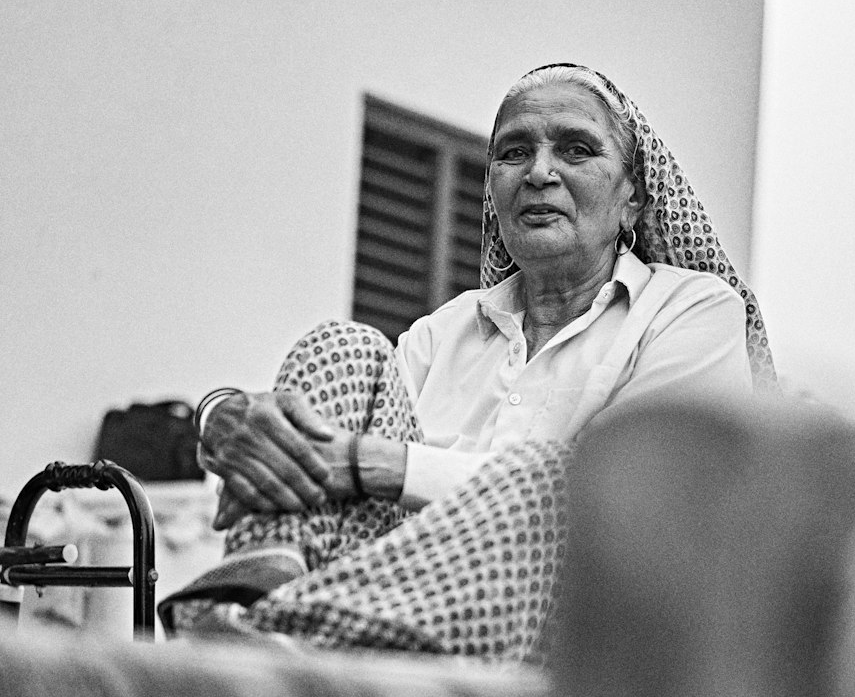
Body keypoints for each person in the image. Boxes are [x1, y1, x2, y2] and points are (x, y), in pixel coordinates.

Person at [160, 63, 776, 657]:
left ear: (633, 200)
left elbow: (643, 510)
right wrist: (218, 417)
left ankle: (291, 638)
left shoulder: (690, 310)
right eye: (513, 153)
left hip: (574, 639)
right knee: (341, 346)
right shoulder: (443, 333)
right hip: (392, 602)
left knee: (571, 481)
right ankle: (243, 614)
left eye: (576, 150)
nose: (539, 172)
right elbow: (314, 452)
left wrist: (371, 464)